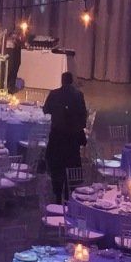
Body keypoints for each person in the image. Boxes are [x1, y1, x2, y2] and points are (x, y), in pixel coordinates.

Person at [41, 70, 90, 203]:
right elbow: (83, 115)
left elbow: (46, 110)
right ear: (72, 81)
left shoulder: (54, 94)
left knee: (56, 166)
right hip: (72, 139)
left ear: (62, 81)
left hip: (57, 137)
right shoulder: (78, 95)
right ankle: (70, 196)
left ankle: (57, 195)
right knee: (71, 166)